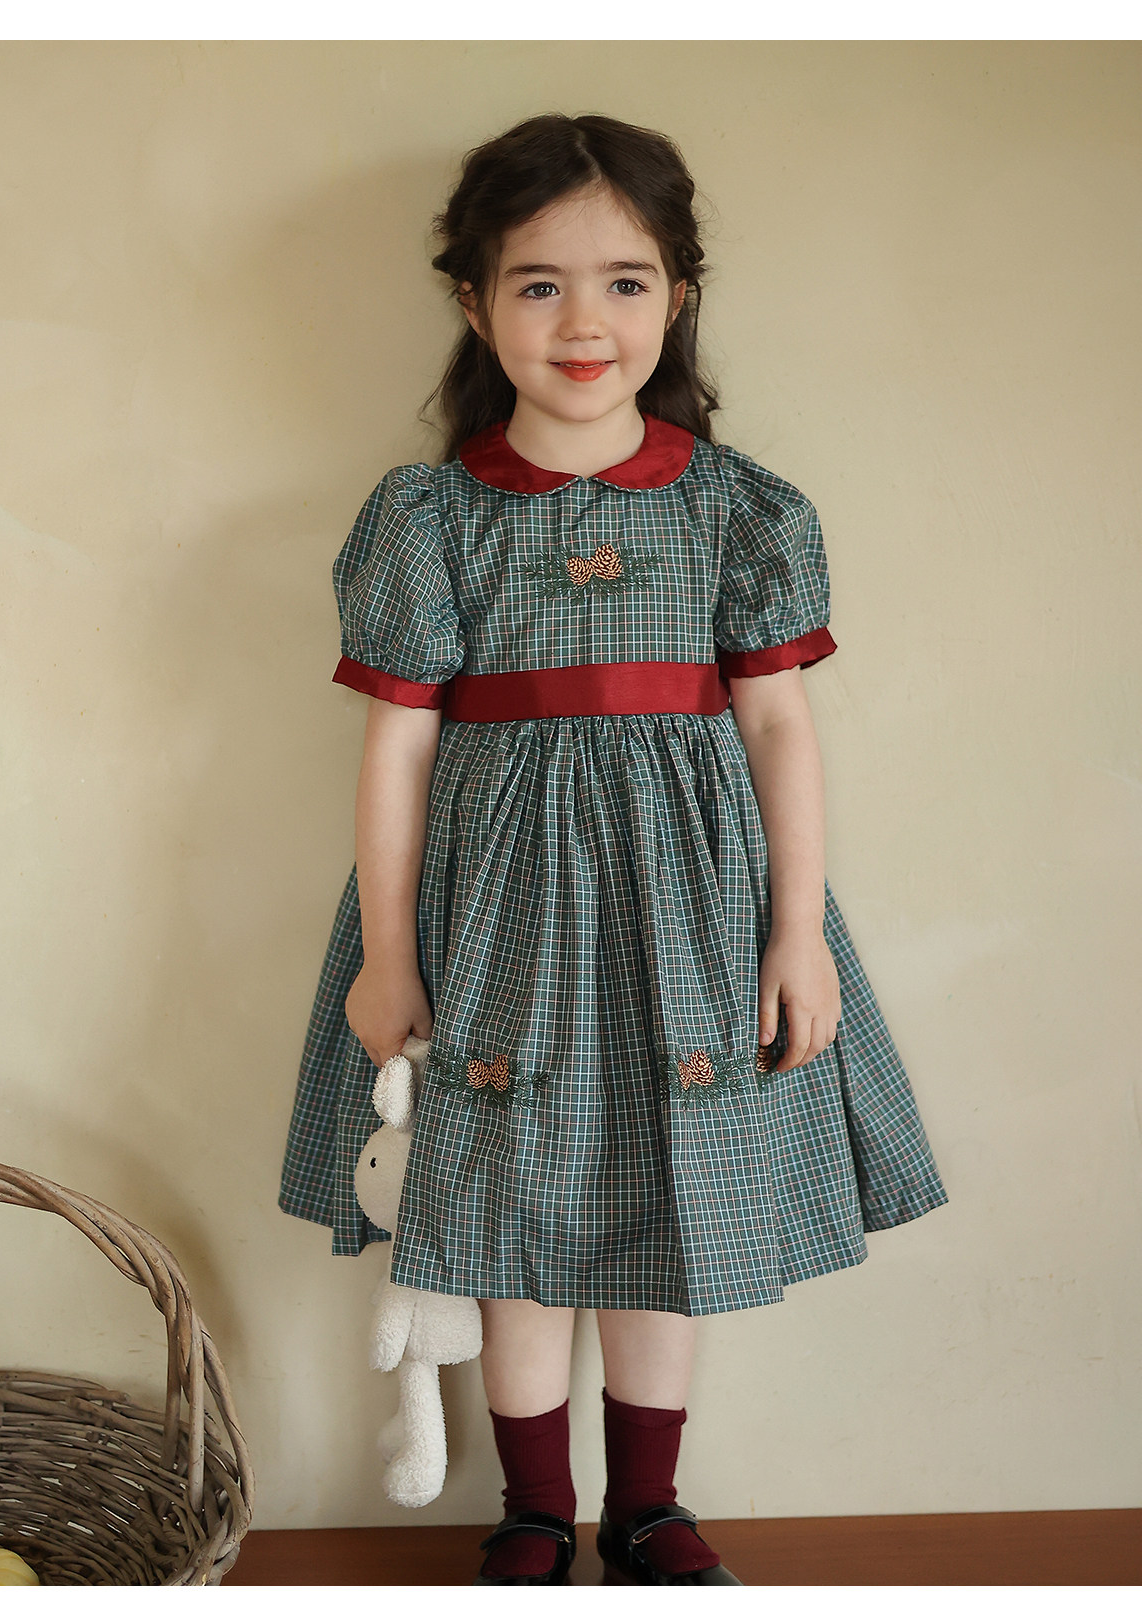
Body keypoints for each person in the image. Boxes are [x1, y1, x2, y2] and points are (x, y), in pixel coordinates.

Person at [280, 113, 948, 1585]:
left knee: (670, 1206)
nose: (585, 322)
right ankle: (533, 1512)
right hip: (493, 921)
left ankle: (647, 1506)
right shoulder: (430, 517)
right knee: (509, 1211)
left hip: (694, 917)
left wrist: (794, 932)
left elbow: (778, 729)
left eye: (626, 282)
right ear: (475, 304)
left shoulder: (736, 507)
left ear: (678, 295)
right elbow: (398, 747)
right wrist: (389, 953)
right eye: (539, 284)